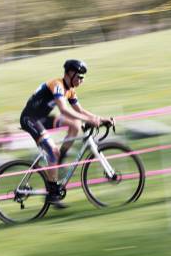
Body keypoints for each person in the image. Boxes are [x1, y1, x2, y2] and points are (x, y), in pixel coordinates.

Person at [20, 59, 108, 208]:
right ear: (70, 74)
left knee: (75, 125)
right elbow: (64, 110)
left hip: (42, 118)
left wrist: (99, 118)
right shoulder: (57, 85)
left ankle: (59, 160)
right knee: (52, 152)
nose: (82, 81)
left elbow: (79, 111)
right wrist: (89, 120)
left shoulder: (70, 90)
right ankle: (52, 192)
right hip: (30, 119)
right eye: (79, 77)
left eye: (83, 78)